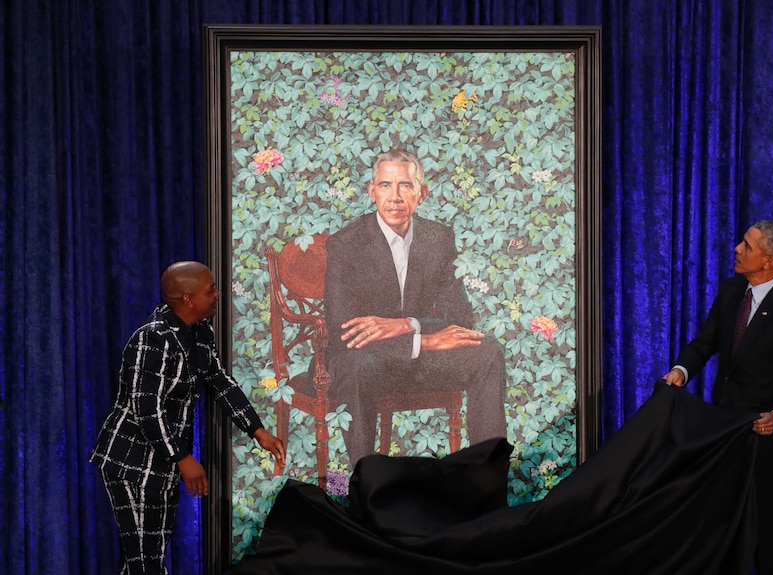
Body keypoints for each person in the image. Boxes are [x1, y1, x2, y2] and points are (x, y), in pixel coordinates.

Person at [89, 261, 286, 575]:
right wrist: (183, 458)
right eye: (209, 291)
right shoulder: (152, 340)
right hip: (131, 461)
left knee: (146, 558)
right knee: (145, 562)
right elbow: (147, 409)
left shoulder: (200, 331)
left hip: (163, 461)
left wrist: (256, 429)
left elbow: (219, 381)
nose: (216, 294)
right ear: (188, 299)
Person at [324, 149, 507, 464]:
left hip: (422, 364)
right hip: (371, 362)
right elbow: (345, 332)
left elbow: (460, 317)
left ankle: (486, 475)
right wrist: (427, 340)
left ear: (421, 193)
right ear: (371, 192)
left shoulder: (438, 238)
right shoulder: (346, 243)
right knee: (354, 365)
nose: (394, 197)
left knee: (487, 352)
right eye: (385, 185)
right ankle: (366, 482)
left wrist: (409, 325)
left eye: (405, 186)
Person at [662, 220, 773, 574]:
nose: (736, 248)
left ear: (768, 261)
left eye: (747, 245)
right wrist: (681, 371)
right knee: (720, 529)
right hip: (724, 437)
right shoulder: (733, 290)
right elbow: (705, 342)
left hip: (766, 444)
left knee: (767, 536)